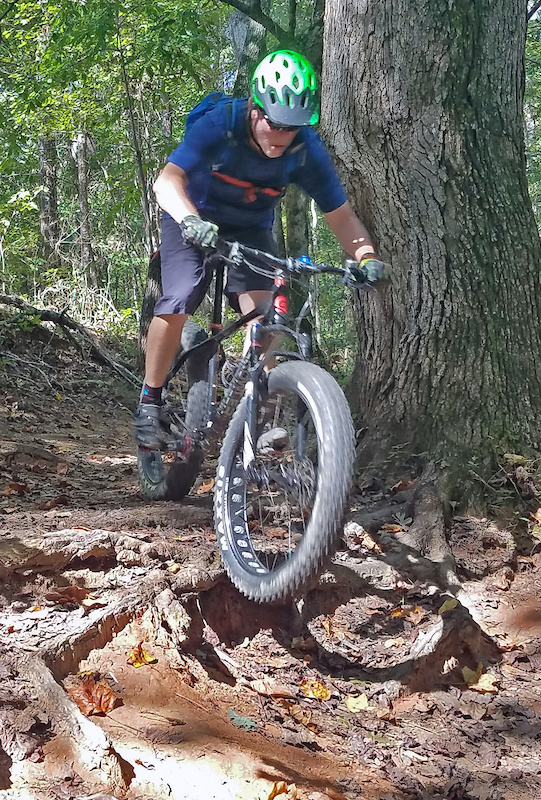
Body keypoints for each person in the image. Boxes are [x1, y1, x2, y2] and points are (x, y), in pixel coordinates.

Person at [135, 49, 384, 450]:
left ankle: (257, 414)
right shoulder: (221, 125)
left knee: (266, 316)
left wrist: (366, 257)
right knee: (179, 297)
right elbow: (166, 181)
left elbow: (342, 217)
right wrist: (189, 220)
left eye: (291, 128)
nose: (281, 136)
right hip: (191, 214)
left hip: (250, 227)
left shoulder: (305, 150)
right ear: (254, 107)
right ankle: (150, 401)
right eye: (274, 123)